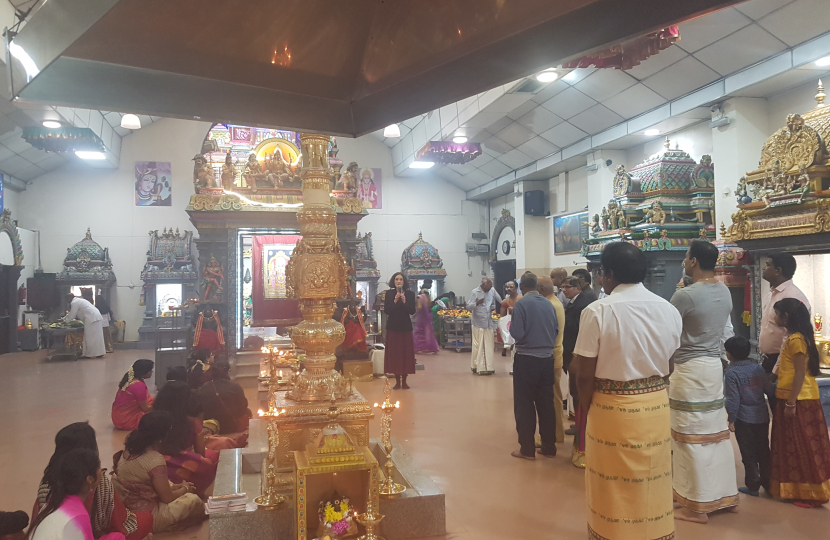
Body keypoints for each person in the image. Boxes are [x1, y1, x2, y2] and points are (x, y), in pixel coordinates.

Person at [574, 242, 682, 540]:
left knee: (612, 480)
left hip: (611, 408)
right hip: (656, 404)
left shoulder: (598, 311)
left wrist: (588, 408)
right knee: (653, 475)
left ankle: (614, 533)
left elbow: (584, 374)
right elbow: (669, 366)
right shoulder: (669, 309)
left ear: (608, 274)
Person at [669, 240, 738, 523]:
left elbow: (668, 332)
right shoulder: (724, 290)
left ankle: (697, 506)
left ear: (694, 261)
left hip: (689, 369)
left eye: (686, 257)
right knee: (715, 434)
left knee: (689, 436)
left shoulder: (685, 296)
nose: (684, 262)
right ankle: (725, 496)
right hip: (712, 367)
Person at [33, 422, 152, 540]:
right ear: (89, 479)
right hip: (87, 533)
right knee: (142, 520)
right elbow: (118, 523)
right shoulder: (97, 487)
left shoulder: (48, 480)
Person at [769, 298, 830, 507]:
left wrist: (791, 403)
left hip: (798, 399)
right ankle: (798, 490)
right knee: (795, 445)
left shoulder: (796, 340)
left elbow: (799, 373)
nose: (774, 317)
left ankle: (811, 493)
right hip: (797, 397)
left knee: (801, 445)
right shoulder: (798, 337)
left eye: (777, 314)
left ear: (786, 317)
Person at [113, 411, 205, 533]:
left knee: (170, 483)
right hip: (150, 517)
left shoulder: (128, 451)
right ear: (161, 437)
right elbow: (167, 498)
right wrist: (185, 489)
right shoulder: (154, 459)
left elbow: (146, 484)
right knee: (193, 500)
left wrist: (176, 488)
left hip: (128, 513)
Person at [508, 273, 558, 460]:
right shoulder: (548, 304)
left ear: (521, 287)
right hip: (547, 359)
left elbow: (517, 333)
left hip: (526, 359)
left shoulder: (521, 304)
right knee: (546, 404)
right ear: (537, 286)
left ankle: (527, 449)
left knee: (525, 404)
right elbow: (555, 330)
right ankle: (549, 447)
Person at [29, 448, 125, 540]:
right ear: (90, 479)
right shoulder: (79, 515)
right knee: (118, 537)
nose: (101, 470)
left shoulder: (55, 500)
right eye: (99, 467)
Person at [724, 336, 773, 498]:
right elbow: (768, 389)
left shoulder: (731, 373)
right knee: (763, 449)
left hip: (743, 419)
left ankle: (753, 486)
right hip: (762, 417)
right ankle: (769, 483)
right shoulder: (757, 368)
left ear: (729, 354)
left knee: (748, 453)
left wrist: (731, 419)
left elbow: (733, 399)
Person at [152, 382, 218, 497]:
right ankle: (195, 492)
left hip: (155, 472)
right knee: (212, 455)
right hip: (183, 475)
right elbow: (200, 455)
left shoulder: (149, 421)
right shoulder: (192, 423)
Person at [561, 275, 596, 466]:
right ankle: (578, 422)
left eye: (568, 287)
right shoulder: (574, 302)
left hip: (577, 352)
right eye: (563, 287)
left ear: (578, 288)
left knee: (578, 390)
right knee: (574, 390)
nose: (564, 290)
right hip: (571, 350)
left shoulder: (583, 304)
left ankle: (581, 427)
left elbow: (577, 329)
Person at [759, 252, 810, 374]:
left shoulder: (792, 296)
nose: (763, 268)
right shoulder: (772, 293)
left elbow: (790, 335)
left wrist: (775, 371)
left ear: (778, 270)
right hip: (769, 359)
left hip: (785, 360)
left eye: (767, 265)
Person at [537, 276, 566, 444]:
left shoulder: (550, 305)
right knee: (554, 397)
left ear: (541, 289)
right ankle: (556, 433)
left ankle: (552, 434)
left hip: (551, 357)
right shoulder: (554, 302)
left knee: (550, 399)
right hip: (554, 355)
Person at [383, 273, 417, 389]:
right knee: (395, 354)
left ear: (404, 281)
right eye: (396, 279)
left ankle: (405, 381)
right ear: (393, 281)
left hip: (405, 327)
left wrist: (404, 302)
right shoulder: (389, 294)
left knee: (405, 354)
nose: (398, 281)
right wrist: (395, 301)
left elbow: (412, 311)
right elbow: (387, 311)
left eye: (401, 279)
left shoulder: (410, 294)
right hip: (393, 327)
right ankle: (397, 381)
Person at [199, 361, 251, 435]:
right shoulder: (235, 386)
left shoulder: (205, 386)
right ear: (228, 372)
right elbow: (243, 405)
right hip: (231, 426)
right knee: (248, 412)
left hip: (211, 427)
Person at [467, 277, 502, 375]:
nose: (491, 287)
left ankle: (489, 367)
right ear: (483, 284)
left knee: (489, 345)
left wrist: (493, 307)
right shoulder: (475, 292)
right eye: (490, 285)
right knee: (479, 346)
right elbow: (468, 307)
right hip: (478, 323)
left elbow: (500, 301)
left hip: (488, 323)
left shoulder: (492, 290)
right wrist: (476, 303)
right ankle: (478, 366)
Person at [112, 360, 155, 431]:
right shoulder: (139, 385)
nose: (152, 372)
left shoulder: (129, 380)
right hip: (129, 421)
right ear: (144, 372)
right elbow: (145, 409)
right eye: (150, 370)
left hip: (117, 418)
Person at [64, 293, 106, 358]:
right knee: (98, 336)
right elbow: (73, 314)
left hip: (91, 318)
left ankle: (90, 354)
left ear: (69, 298)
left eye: (67, 299)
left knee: (89, 337)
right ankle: (99, 352)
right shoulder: (79, 300)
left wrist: (65, 321)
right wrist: (65, 318)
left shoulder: (74, 302)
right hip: (96, 316)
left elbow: (72, 315)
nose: (67, 301)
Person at [413, 289, 440, 354]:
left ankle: (419, 348)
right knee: (429, 332)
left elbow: (419, 307)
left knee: (419, 332)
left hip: (422, 317)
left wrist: (415, 314)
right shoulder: (429, 298)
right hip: (428, 316)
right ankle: (432, 348)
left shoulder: (419, 297)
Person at [500, 280, 522, 357]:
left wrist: (515, 310)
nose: (509, 289)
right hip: (510, 325)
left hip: (521, 324)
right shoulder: (505, 302)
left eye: (511, 287)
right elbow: (502, 318)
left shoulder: (522, 299)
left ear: (516, 288)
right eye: (508, 287)